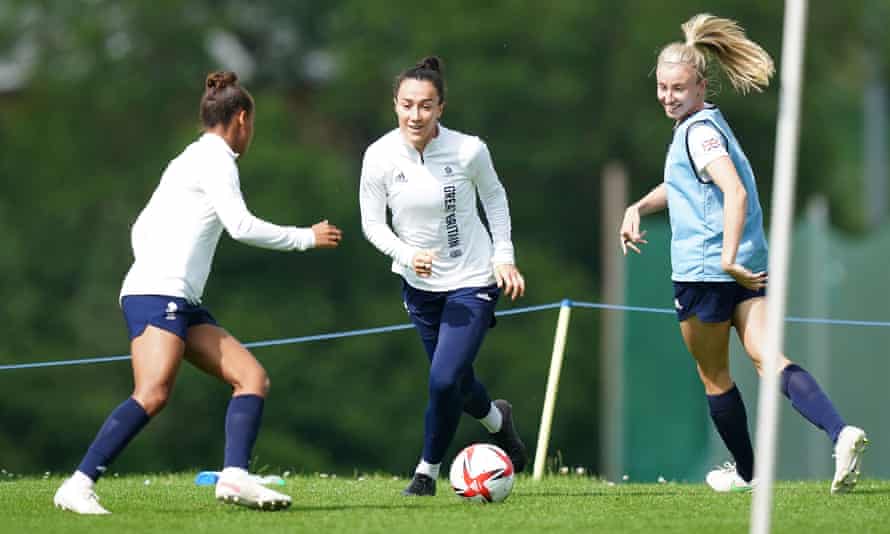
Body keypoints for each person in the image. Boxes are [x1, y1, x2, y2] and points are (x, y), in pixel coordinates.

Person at [53, 71, 343, 514]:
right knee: (152, 393)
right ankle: (78, 484)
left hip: (177, 299)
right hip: (159, 295)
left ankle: (235, 477)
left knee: (252, 379)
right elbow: (241, 225)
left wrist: (158, 265)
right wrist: (306, 237)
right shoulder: (216, 159)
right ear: (242, 118)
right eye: (252, 126)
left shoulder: (189, 158)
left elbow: (141, 227)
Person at [620, 14, 867, 494]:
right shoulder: (706, 124)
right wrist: (637, 206)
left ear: (700, 84)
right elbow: (686, 185)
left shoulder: (696, 133)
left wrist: (727, 257)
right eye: (663, 87)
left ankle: (750, 474)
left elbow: (732, 191)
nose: (669, 96)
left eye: (679, 88)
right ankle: (841, 432)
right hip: (749, 265)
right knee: (768, 357)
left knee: (713, 374)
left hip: (708, 270)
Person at [359, 56, 528, 496]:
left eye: (426, 106)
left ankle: (426, 473)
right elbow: (372, 224)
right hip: (419, 289)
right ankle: (497, 419)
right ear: (395, 105)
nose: (416, 115)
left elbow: (494, 198)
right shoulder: (378, 156)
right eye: (407, 105)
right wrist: (406, 253)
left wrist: (503, 258)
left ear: (442, 108)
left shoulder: (469, 149)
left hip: (473, 279)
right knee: (455, 377)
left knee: (443, 379)